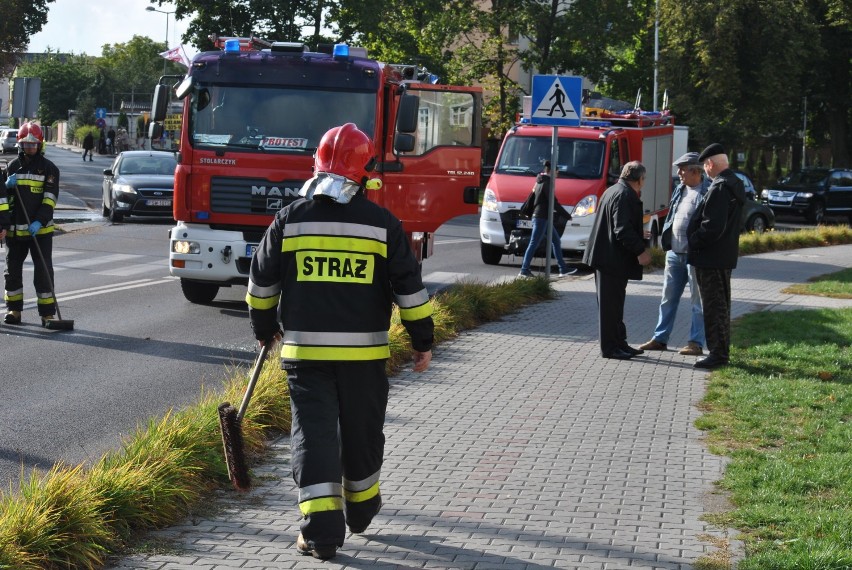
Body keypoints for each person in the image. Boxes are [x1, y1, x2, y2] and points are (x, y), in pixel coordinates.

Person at [245, 123, 434, 560]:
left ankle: (321, 534)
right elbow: (410, 289)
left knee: (313, 439)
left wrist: (263, 327)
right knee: (362, 433)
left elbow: (260, 283)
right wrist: (423, 340)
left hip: (305, 357)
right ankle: (363, 512)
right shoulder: (383, 224)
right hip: (364, 360)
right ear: (365, 174)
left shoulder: (288, 219)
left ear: (317, 167)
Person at [639, 152, 710, 356]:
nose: (678, 173)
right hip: (674, 254)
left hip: (694, 257)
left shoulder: (707, 192)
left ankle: (695, 343)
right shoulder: (680, 189)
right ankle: (660, 339)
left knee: (698, 302)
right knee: (667, 299)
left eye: (682, 169)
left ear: (695, 171)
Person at [582, 161, 652, 360]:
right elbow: (621, 229)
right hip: (610, 259)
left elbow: (617, 225)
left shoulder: (613, 190)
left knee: (615, 305)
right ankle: (610, 348)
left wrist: (639, 234)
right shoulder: (624, 195)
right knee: (610, 307)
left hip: (610, 258)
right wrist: (640, 251)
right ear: (639, 179)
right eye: (644, 179)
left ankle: (620, 343)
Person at [688, 143, 745, 369]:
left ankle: (718, 355)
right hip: (720, 257)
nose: (705, 171)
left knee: (713, 307)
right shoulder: (733, 183)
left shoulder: (720, 187)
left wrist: (693, 241)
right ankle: (720, 351)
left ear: (710, 164)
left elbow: (712, 227)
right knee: (720, 306)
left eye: (704, 166)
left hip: (710, 258)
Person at [1, 122, 60, 326]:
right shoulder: (12, 167)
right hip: (15, 232)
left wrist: (39, 221)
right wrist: (7, 186)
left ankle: (47, 314)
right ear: (20, 145)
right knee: (12, 272)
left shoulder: (49, 169)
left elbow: (50, 199)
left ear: (40, 145)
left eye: (33, 145)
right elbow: (3, 199)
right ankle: (14, 311)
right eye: (26, 144)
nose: (29, 148)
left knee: (43, 272)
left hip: (40, 231)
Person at [518, 161, 576, 278]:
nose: (558, 172)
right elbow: (553, 202)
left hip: (543, 217)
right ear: (552, 171)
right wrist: (567, 215)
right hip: (541, 217)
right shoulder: (547, 182)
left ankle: (562, 268)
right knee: (534, 243)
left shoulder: (540, 181)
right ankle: (524, 270)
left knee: (556, 241)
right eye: (557, 170)